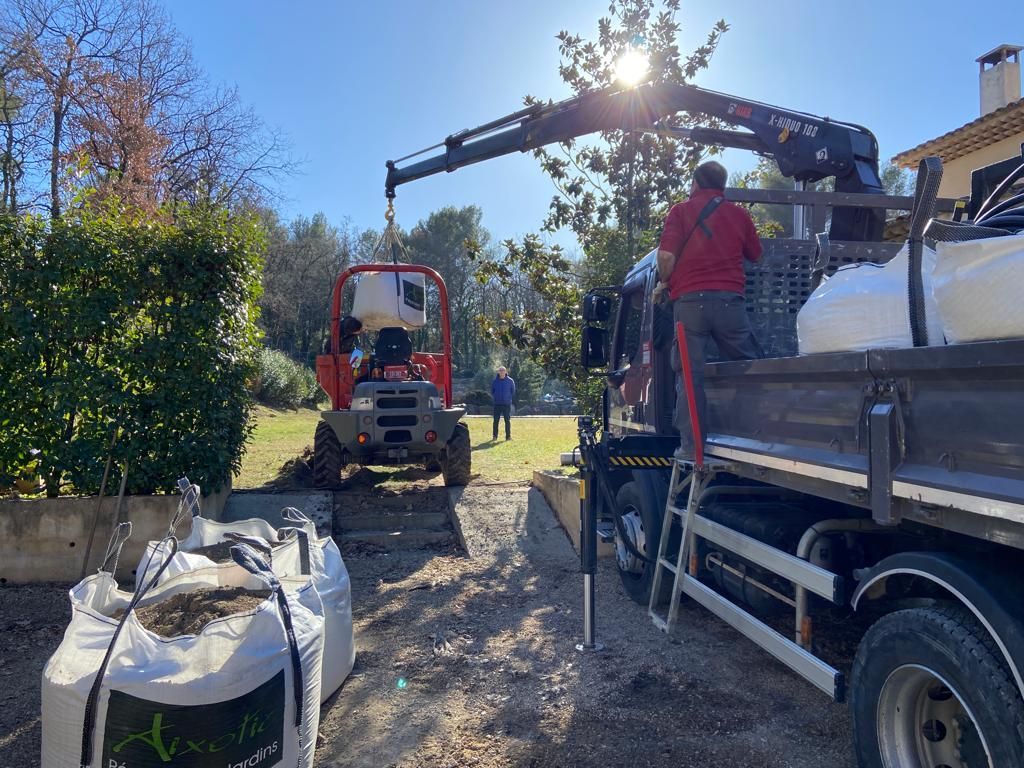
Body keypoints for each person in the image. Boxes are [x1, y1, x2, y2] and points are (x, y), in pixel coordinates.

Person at [653, 160, 763, 460]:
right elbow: (756, 254)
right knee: (749, 368)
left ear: (696, 183)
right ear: (722, 185)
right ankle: (758, 437)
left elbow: (665, 255)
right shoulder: (739, 214)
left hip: (690, 306)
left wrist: (665, 281)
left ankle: (692, 447)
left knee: (690, 376)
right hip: (731, 303)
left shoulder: (680, 211)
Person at [491, 366, 516, 441]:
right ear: (498, 372)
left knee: (507, 421)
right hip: (497, 404)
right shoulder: (495, 381)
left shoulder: (510, 381)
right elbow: (492, 391)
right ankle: (494, 436)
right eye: (500, 371)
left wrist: (508, 398)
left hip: (506, 404)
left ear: (505, 372)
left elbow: (513, 391)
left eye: (503, 371)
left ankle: (508, 437)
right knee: (496, 421)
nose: (501, 372)